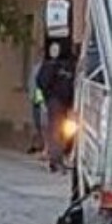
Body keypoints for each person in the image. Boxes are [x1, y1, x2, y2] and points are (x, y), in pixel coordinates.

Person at [37, 42, 75, 173]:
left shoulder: (70, 65)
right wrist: (49, 96)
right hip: (56, 102)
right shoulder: (52, 65)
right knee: (56, 131)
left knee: (63, 131)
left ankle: (59, 158)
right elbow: (42, 82)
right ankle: (55, 160)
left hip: (65, 103)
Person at [27, 56, 46, 155]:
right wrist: (31, 96)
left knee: (41, 122)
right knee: (36, 122)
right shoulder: (36, 68)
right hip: (36, 97)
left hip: (40, 97)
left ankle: (42, 146)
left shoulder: (42, 68)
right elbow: (32, 83)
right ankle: (37, 144)